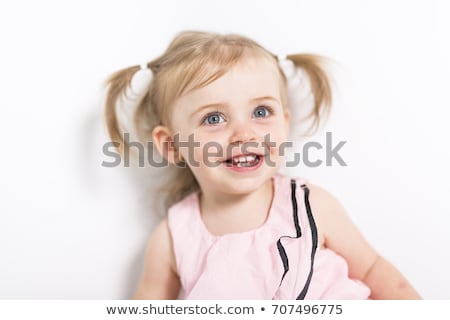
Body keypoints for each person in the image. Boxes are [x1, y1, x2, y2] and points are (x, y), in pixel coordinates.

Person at [104, 31, 421, 299]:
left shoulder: (310, 205)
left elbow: (372, 270)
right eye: (214, 118)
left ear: (284, 124)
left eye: (260, 113)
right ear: (172, 145)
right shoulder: (172, 238)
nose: (244, 134)